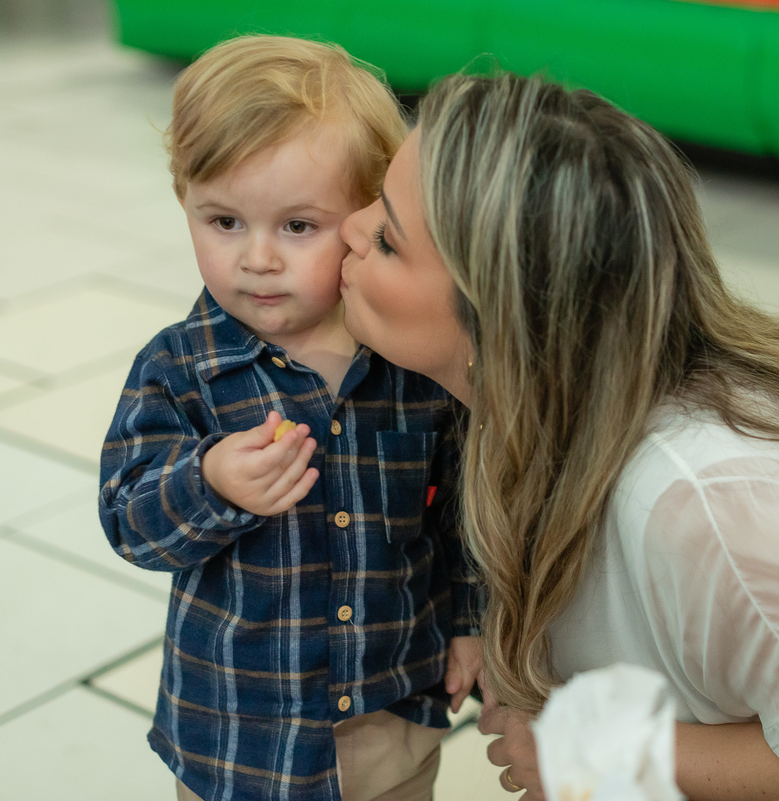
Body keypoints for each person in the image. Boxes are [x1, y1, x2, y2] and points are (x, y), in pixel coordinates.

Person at [336, 72, 779, 801]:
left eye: (389, 239)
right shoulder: (543, 400)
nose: (347, 230)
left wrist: (592, 747)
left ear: (500, 320)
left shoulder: (706, 501)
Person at [99, 36, 482, 801]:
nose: (257, 259)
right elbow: (129, 519)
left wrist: (471, 620)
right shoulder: (182, 369)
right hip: (240, 737)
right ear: (185, 201)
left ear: (365, 218)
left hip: (390, 721)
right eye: (224, 221)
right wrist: (210, 484)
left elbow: (460, 510)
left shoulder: (410, 362)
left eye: (297, 227)